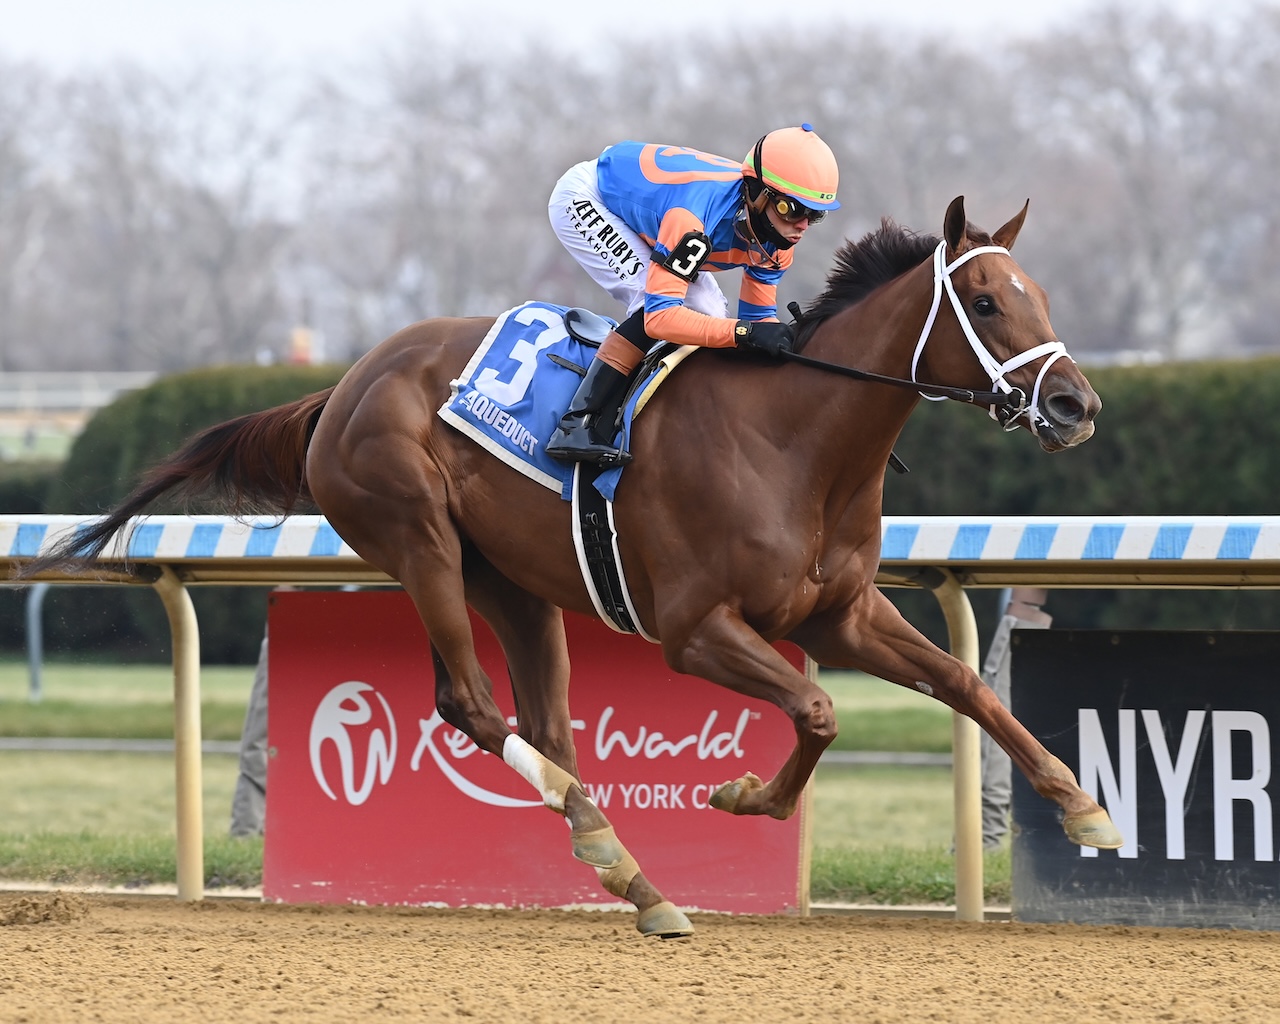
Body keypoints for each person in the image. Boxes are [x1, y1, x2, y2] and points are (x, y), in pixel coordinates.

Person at [545, 123, 840, 465]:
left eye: (813, 215)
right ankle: (576, 423)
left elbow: (757, 320)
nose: (802, 224)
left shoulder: (780, 241)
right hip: (588, 197)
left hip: (653, 212)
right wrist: (744, 332)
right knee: (653, 304)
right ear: (758, 194)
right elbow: (660, 316)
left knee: (712, 315)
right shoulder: (694, 218)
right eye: (792, 208)